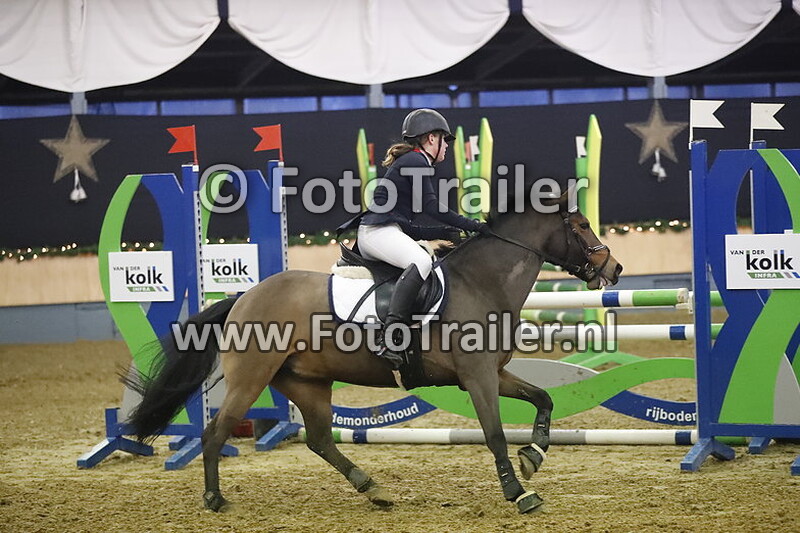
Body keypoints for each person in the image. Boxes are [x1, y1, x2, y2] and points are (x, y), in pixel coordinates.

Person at [357, 108, 490, 368]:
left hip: (385, 231)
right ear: (431, 138)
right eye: (444, 140)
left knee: (425, 258)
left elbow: (410, 228)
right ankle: (389, 338)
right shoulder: (416, 161)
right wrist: (472, 225)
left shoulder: (414, 162)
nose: (447, 146)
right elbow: (432, 206)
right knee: (421, 261)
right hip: (376, 233)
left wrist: (443, 233)